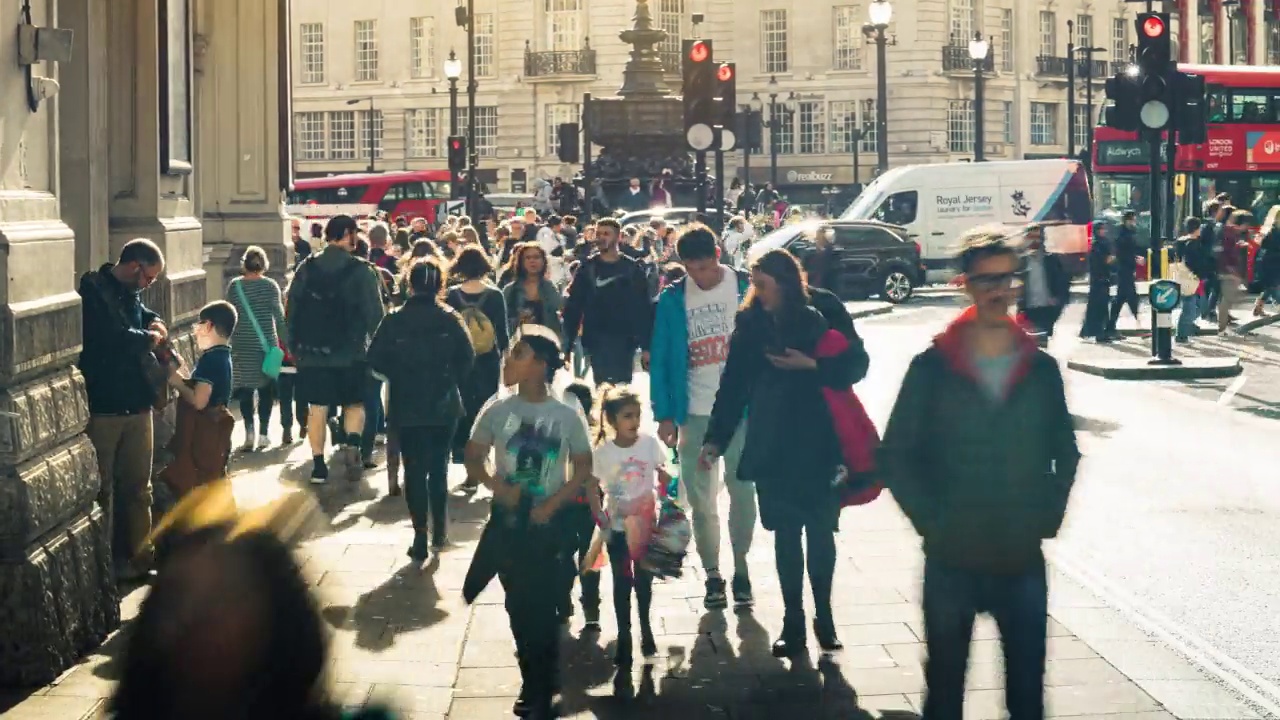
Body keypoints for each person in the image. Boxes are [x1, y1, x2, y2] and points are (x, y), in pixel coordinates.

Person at [879, 228, 1080, 720]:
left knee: (1028, 696)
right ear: (964, 285)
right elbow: (896, 455)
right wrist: (933, 522)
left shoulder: (1041, 369)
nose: (998, 290)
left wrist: (1045, 517)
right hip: (952, 557)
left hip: (1020, 555)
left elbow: (1066, 453)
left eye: (1007, 278)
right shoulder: (932, 366)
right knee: (945, 690)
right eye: (986, 280)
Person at [702, 249, 869, 657]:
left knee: (821, 529)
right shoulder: (751, 320)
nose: (756, 293)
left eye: (762, 285)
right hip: (772, 438)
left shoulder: (825, 307)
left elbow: (857, 365)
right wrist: (715, 437)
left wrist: (811, 366)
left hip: (819, 438)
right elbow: (734, 381)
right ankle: (793, 621)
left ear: (786, 282)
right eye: (754, 286)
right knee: (786, 534)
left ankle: (824, 618)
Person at [463, 327, 593, 719]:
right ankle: (534, 678)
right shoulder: (497, 409)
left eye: (517, 353)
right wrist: (494, 484)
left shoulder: (566, 413)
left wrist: (553, 503)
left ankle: (542, 676)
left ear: (540, 365)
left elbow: (583, 468)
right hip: (508, 521)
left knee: (547, 602)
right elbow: (473, 455)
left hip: (550, 523)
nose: (507, 359)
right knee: (518, 603)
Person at [650, 225, 756, 609]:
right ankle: (713, 574)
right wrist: (663, 414)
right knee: (701, 498)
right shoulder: (673, 300)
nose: (701, 276)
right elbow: (660, 357)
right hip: (694, 411)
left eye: (706, 267)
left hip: (741, 410)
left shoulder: (746, 287)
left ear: (718, 253)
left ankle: (741, 567)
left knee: (743, 490)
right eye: (692, 269)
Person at [369, 258, 474, 560]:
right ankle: (440, 530)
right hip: (443, 402)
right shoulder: (450, 317)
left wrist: (398, 373)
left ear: (408, 282)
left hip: (407, 402)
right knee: (438, 468)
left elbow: (374, 358)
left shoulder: (394, 319)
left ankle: (419, 535)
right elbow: (467, 358)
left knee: (413, 470)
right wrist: (449, 378)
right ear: (440, 284)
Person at [79, 238, 168, 582]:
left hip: (138, 405)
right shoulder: (94, 290)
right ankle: (104, 564)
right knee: (104, 491)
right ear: (135, 266)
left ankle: (140, 557)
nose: (149, 285)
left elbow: (143, 314)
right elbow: (110, 336)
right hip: (105, 407)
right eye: (150, 278)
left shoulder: (132, 294)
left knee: (139, 488)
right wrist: (149, 339)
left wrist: (156, 322)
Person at [286, 215, 386, 485]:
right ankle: (352, 444)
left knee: (316, 409)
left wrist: (294, 347)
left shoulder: (306, 268)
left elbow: (291, 309)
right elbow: (375, 315)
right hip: (351, 353)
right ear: (349, 234)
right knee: (355, 404)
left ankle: (319, 466)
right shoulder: (363, 271)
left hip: (312, 354)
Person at [588, 384, 669, 668]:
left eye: (637, 415)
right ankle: (624, 634)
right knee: (622, 581)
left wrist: (664, 477)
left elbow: (661, 469)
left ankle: (645, 626)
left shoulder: (648, 443)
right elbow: (591, 484)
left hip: (645, 523)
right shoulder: (604, 453)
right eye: (627, 416)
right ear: (611, 420)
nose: (634, 422)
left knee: (644, 580)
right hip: (619, 526)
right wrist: (599, 513)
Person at [562, 218, 654, 386]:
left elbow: (643, 310)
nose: (601, 238)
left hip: (625, 340)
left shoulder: (632, 269)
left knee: (622, 388)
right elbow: (574, 307)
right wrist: (567, 345)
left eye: (606, 234)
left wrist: (647, 347)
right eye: (598, 233)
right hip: (597, 339)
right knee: (603, 387)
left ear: (618, 237)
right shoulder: (588, 269)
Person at [446, 246, 510, 465]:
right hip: (487, 358)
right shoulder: (494, 295)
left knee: (462, 403)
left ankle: (460, 448)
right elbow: (502, 331)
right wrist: (505, 358)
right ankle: (481, 454)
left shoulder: (451, 295)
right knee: (485, 405)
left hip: (459, 360)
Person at [226, 246, 287, 452]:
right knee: (265, 390)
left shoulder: (234, 287)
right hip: (266, 345)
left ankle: (249, 433)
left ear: (244, 264)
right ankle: (263, 434)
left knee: (245, 389)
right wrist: (286, 342)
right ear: (264, 264)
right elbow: (278, 318)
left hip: (241, 344)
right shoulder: (270, 286)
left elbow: (229, 316)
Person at [1017, 224, 1071, 344]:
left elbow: (1063, 283)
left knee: (1042, 343)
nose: (1034, 241)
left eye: (1038, 237)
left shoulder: (1051, 260)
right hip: (1027, 310)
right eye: (1031, 237)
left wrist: (1058, 302)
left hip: (1046, 309)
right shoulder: (1019, 262)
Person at [502, 243, 564, 338]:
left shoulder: (549, 287)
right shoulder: (510, 290)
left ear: (543, 261)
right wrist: (518, 320)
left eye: (536, 257)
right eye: (528, 258)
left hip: (547, 345)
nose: (532, 261)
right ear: (521, 262)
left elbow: (561, 310)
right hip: (518, 345)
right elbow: (502, 322)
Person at [1173, 218, 1211, 343]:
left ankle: (1187, 326)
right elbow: (1193, 262)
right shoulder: (1193, 243)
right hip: (1192, 279)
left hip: (1187, 279)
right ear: (1197, 229)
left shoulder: (1182, 241)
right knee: (1190, 307)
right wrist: (1199, 273)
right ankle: (1181, 334)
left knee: (1199, 305)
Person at [1105, 210, 1142, 338]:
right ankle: (1139, 325)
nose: (1134, 222)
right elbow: (1123, 254)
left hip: (1126, 270)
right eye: (1132, 220)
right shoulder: (1123, 235)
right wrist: (1135, 259)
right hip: (1124, 270)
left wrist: (1135, 258)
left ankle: (1111, 327)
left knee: (1121, 299)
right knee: (1129, 298)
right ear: (1127, 220)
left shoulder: (1127, 233)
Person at [1217, 208, 1252, 333]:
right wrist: (1233, 272)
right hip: (1227, 270)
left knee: (1228, 298)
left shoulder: (1229, 232)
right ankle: (1221, 329)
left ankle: (1223, 326)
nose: (1247, 228)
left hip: (1227, 269)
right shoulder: (1229, 233)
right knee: (1227, 299)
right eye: (1246, 225)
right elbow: (1226, 253)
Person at [1079, 218, 1114, 342]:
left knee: (1100, 306)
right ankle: (1098, 332)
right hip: (1098, 279)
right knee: (1098, 306)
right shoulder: (1096, 245)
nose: (1104, 231)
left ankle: (1093, 331)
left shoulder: (1104, 242)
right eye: (1101, 229)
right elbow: (1101, 261)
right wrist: (1109, 260)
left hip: (1103, 278)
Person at [1252, 206, 1280, 317]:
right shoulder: (1273, 232)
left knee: (1270, 287)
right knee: (1274, 286)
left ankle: (1258, 307)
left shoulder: (1268, 230)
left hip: (1270, 261)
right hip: (1272, 263)